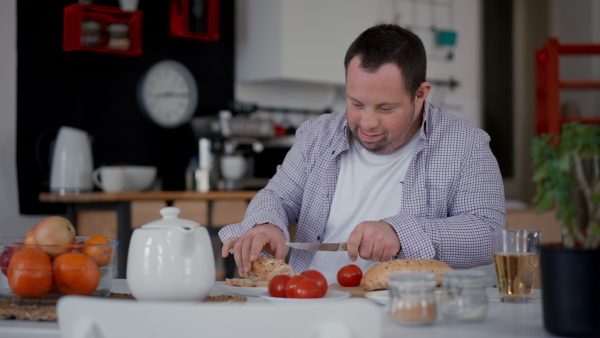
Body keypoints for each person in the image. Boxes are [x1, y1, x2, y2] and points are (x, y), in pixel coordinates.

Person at [219, 23, 506, 284]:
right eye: (356, 103)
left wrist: (399, 232)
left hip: (409, 310)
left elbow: (489, 234)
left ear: (420, 94)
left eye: (385, 108)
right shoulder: (317, 135)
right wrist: (267, 224)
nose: (367, 123)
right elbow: (277, 197)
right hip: (310, 299)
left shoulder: (467, 146)